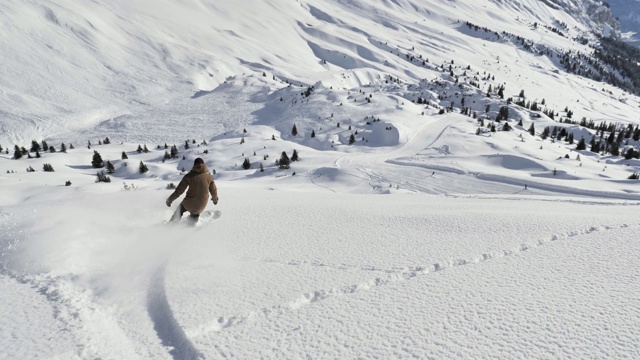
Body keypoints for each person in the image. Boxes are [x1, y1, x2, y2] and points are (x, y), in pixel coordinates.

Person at [166, 158, 219, 225]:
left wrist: (169, 200)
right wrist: (215, 200)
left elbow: (179, 191)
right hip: (201, 205)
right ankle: (192, 224)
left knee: (180, 209)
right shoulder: (209, 177)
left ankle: (171, 225)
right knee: (196, 212)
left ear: (194, 165)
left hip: (188, 203)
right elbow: (214, 190)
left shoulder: (188, 176)